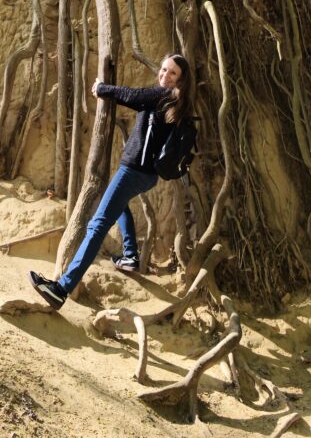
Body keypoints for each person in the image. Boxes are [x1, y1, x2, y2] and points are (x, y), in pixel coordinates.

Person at [28, 53, 192, 309]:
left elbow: (133, 96)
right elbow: (138, 102)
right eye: (163, 69)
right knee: (117, 205)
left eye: (172, 73)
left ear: (181, 80)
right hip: (144, 175)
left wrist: (101, 88)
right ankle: (129, 256)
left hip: (134, 171)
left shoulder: (164, 96)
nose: (165, 76)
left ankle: (61, 289)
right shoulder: (170, 101)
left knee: (97, 225)